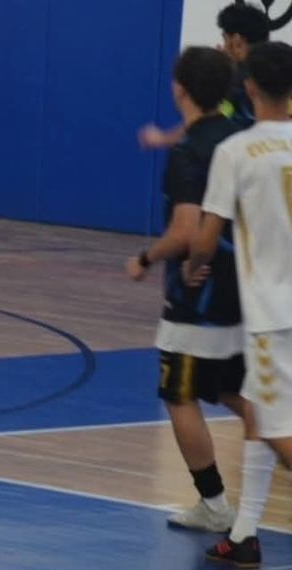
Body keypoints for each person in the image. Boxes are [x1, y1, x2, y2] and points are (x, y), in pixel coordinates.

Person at [127, 47, 245, 533]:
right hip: (250, 287)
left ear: (180, 88)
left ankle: (213, 504)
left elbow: (186, 231)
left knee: (179, 394)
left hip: (202, 293)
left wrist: (144, 259)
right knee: (234, 389)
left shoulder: (189, 154)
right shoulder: (241, 138)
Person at [186, 40, 292, 568]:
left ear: (248, 86)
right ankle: (245, 533)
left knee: (275, 429)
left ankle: (246, 534)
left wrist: (192, 268)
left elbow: (207, 236)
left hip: (277, 312)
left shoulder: (235, 151)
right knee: (257, 411)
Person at [141, 2, 269, 149]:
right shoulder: (279, 72)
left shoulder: (236, 83)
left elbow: (204, 124)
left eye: (225, 39)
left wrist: (164, 139)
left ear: (237, 42)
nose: (223, 46)